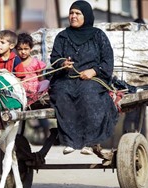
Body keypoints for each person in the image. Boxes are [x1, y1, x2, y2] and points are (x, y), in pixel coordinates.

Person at [49, 0, 118, 155]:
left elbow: (107, 61)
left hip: (93, 79)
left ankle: (90, 142)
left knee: (88, 94)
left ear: (86, 16)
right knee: (62, 93)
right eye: (71, 13)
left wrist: (93, 71)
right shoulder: (62, 36)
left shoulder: (98, 36)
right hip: (66, 78)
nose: (73, 16)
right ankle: (70, 141)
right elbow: (55, 58)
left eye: (77, 13)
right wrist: (62, 63)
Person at [16, 32, 50, 106]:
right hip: (21, 89)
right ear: (16, 49)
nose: (23, 52)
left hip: (34, 89)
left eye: (26, 49)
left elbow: (41, 78)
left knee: (46, 82)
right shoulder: (15, 63)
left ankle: (36, 97)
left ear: (31, 49)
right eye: (20, 49)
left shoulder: (35, 62)